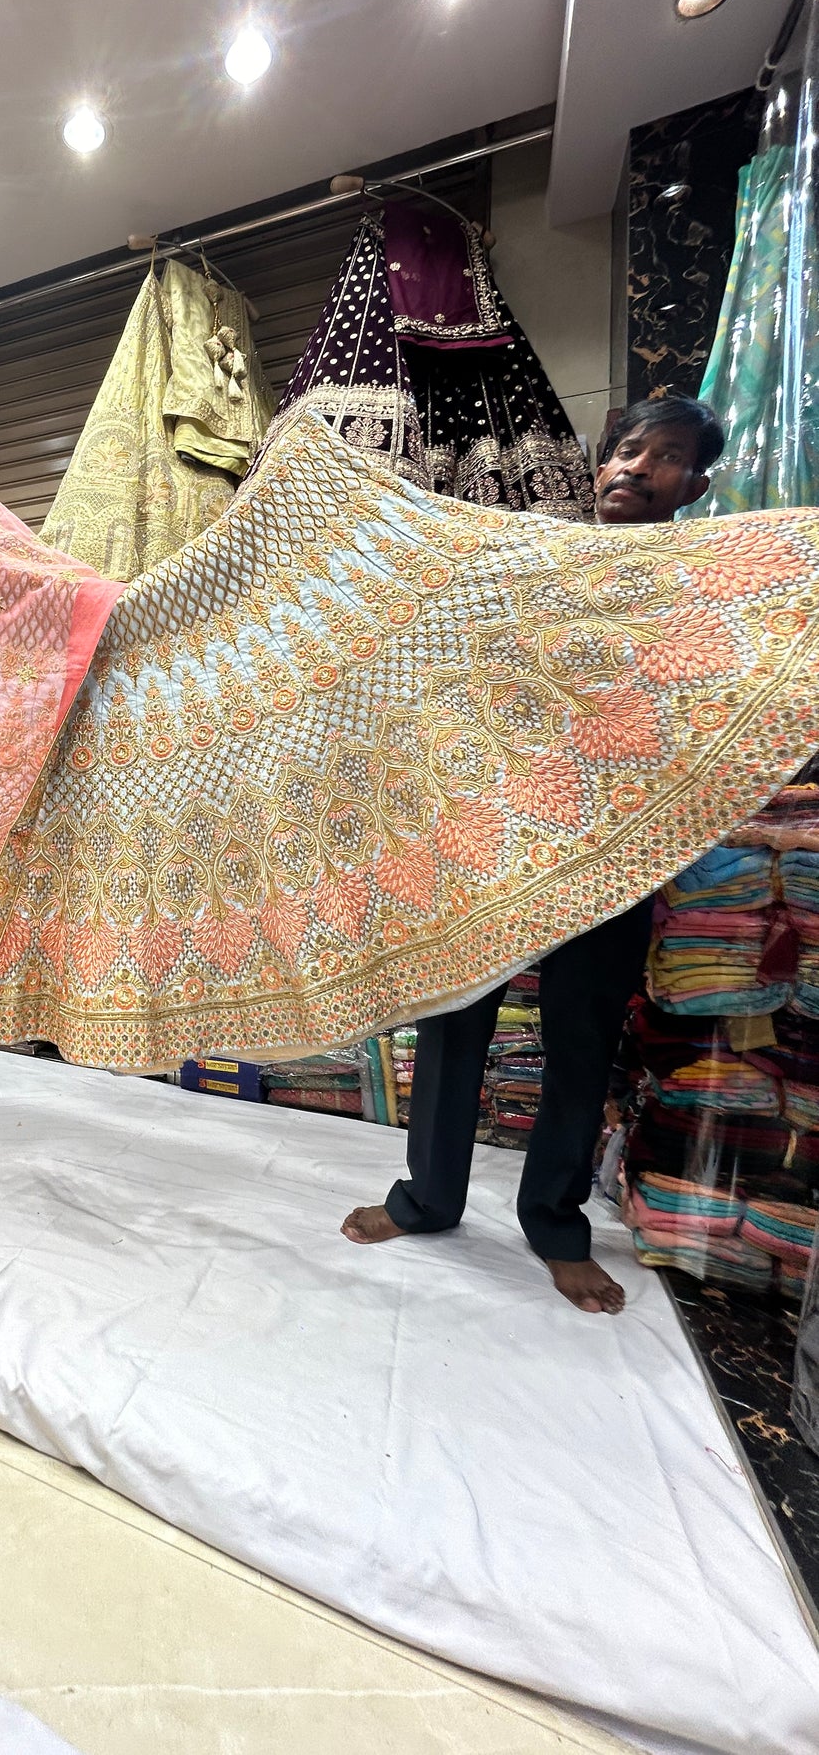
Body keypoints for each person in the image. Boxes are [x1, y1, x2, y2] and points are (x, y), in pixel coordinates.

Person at [341, 394, 727, 1313]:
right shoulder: (528, 560)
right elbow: (452, 664)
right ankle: (427, 1198)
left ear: (697, 483)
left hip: (611, 850)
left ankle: (553, 1222)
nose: (633, 467)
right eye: (624, 449)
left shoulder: (706, 580)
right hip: (495, 836)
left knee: (578, 1042)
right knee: (451, 1021)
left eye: (664, 456)